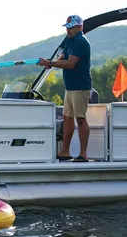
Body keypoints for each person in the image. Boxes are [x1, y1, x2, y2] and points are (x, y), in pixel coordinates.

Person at [38, 14, 92, 162]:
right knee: (67, 118)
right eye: (67, 27)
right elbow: (62, 57)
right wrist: (51, 63)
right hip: (70, 87)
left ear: (79, 27)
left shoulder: (81, 42)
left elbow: (71, 63)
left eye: (71, 27)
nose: (68, 30)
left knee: (80, 119)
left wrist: (51, 63)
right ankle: (65, 151)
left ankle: (83, 154)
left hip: (80, 87)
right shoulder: (70, 40)